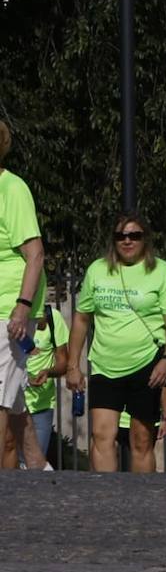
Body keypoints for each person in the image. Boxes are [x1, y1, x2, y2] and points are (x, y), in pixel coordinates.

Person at [66, 215, 166, 473]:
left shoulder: (162, 271)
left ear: (145, 239)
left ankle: (143, 501)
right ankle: (105, 498)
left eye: (134, 235)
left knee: (141, 440)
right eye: (121, 236)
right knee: (101, 435)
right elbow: (82, 319)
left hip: (146, 363)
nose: (127, 241)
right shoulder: (97, 269)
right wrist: (73, 364)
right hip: (105, 364)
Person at [0, 121, 47, 468]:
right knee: (15, 404)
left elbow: (35, 253)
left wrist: (22, 306)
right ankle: (41, 472)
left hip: (6, 309)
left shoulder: (11, 189)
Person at [6, 301, 67, 470]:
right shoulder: (10, 315)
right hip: (13, 400)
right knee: (8, 447)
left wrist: (48, 372)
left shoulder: (54, 318)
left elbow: (63, 363)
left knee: (33, 464)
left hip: (41, 405)